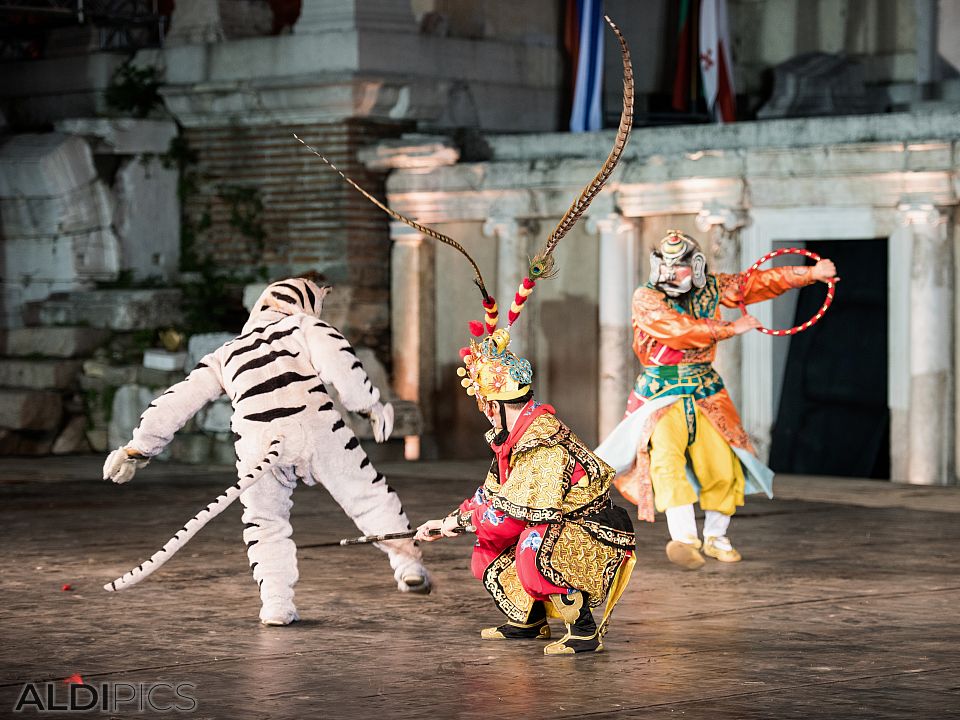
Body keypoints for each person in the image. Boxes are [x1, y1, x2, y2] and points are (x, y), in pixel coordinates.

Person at [103, 277, 430, 625]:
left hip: (257, 440)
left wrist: (139, 445)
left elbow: (180, 399)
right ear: (304, 302)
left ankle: (276, 603)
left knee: (265, 522)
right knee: (367, 496)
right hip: (315, 427)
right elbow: (339, 360)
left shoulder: (225, 353)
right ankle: (407, 563)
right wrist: (369, 404)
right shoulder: (304, 326)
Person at [596, 231, 837, 569]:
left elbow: (753, 284)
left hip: (705, 391)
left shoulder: (711, 286)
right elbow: (676, 329)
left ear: (694, 266)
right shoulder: (646, 298)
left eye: (677, 267)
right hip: (661, 395)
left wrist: (810, 274)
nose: (669, 274)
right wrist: (729, 328)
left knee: (722, 464)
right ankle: (684, 538)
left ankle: (716, 536)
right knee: (666, 462)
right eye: (664, 266)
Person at [416, 328, 635, 655]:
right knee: (487, 549)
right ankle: (529, 619)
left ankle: (584, 629)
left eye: (485, 405)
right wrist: (449, 519)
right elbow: (491, 493)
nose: (486, 413)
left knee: (530, 549)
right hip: (551, 518)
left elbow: (508, 513)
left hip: (588, 526)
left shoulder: (541, 444)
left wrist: (458, 525)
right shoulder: (517, 435)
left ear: (493, 404)